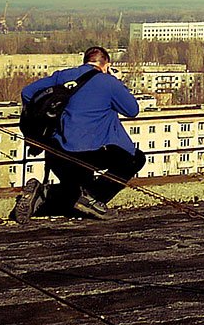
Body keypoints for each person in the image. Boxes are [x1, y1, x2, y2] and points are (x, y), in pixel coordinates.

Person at [15, 46, 146, 221]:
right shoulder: (108, 82)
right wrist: (116, 82)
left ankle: (42, 193)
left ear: (85, 61)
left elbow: (27, 92)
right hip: (92, 152)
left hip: (57, 150)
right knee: (135, 159)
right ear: (106, 64)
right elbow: (132, 110)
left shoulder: (64, 76)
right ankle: (87, 200)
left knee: (75, 191)